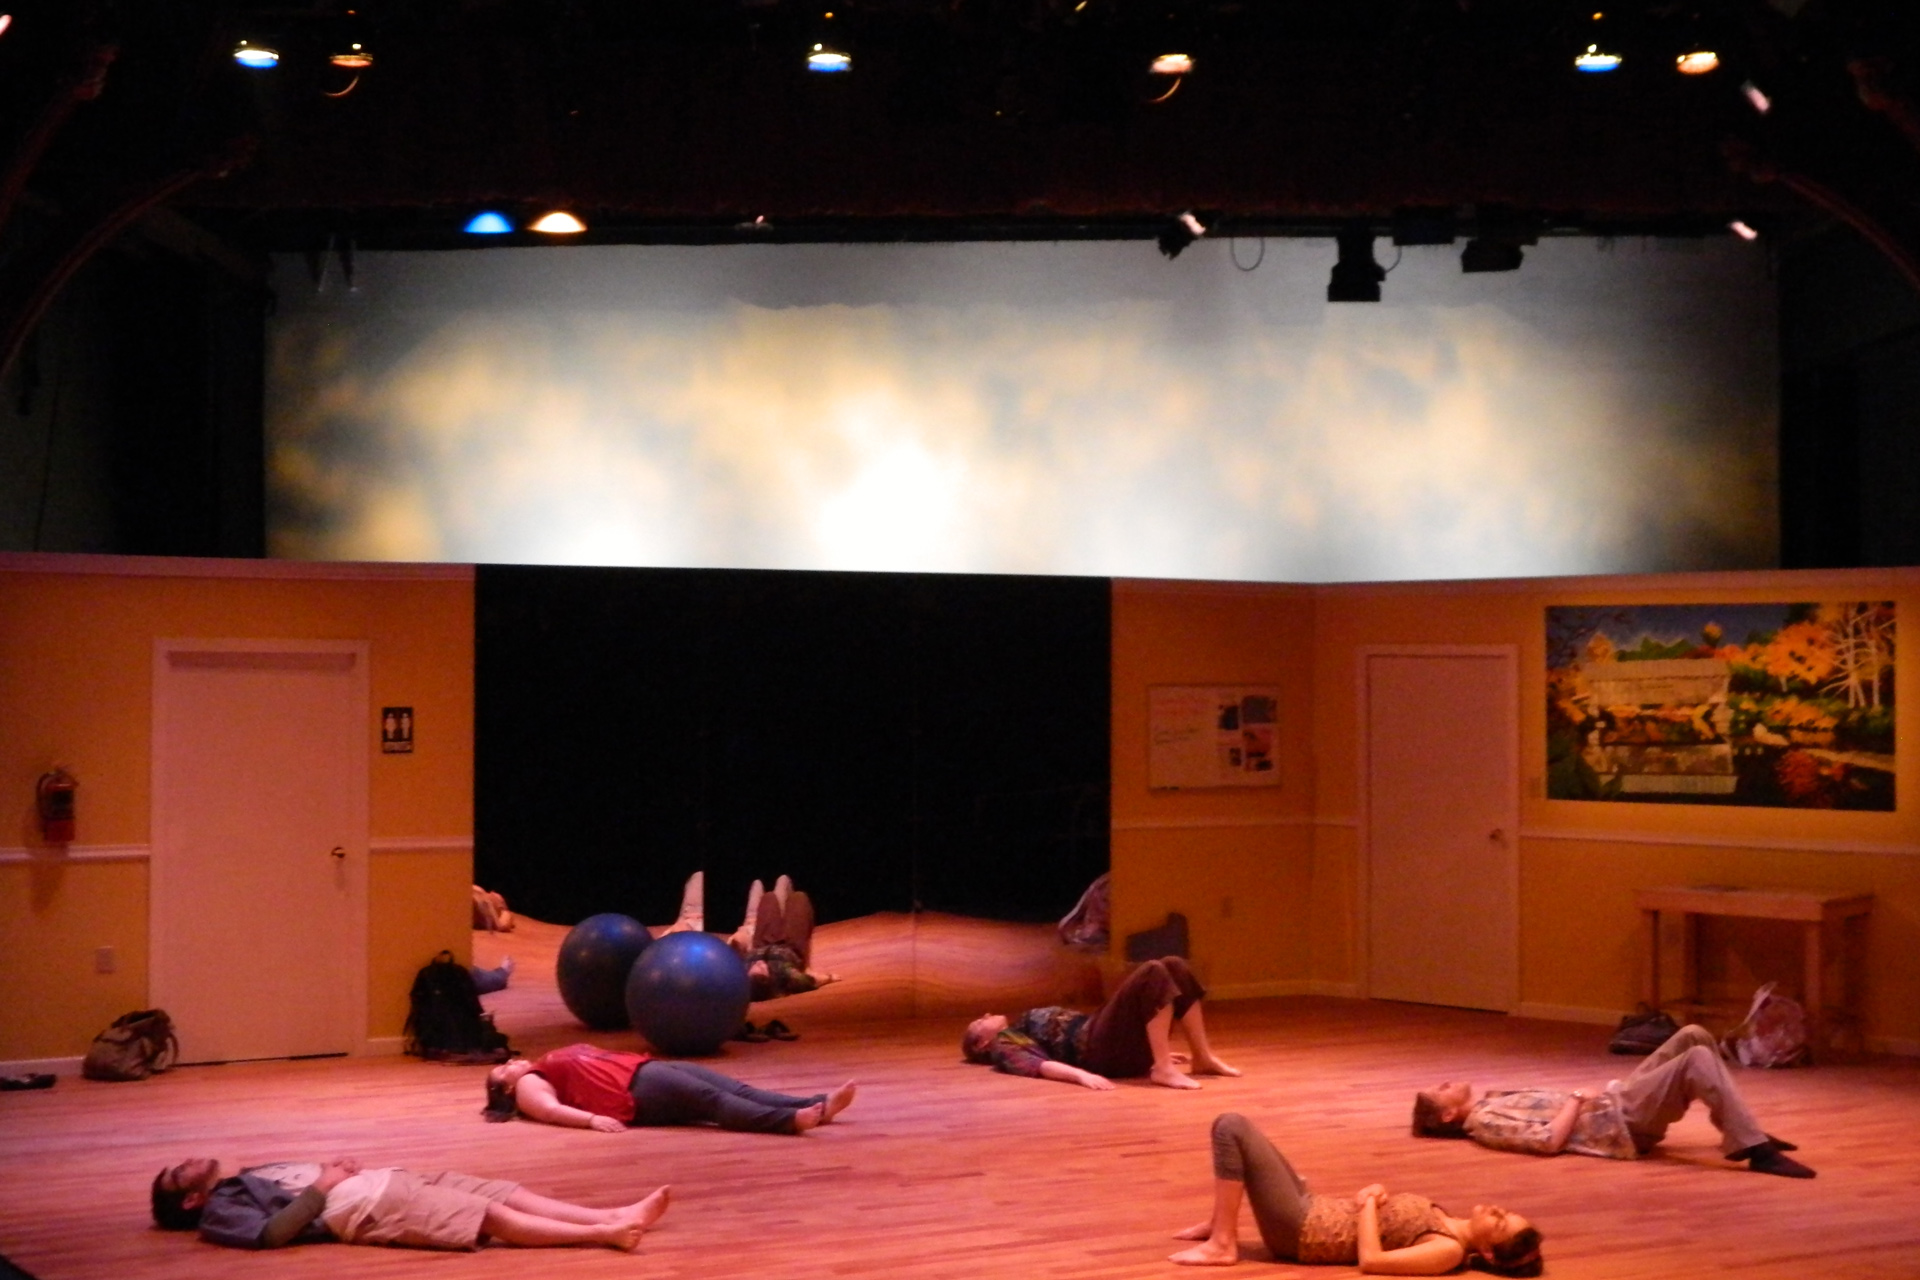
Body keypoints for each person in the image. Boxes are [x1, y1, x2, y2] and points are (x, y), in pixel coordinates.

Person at [1411, 1023, 1814, 1178]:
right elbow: (1547, 1143)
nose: (1447, 1082)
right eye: (1441, 1089)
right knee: (1698, 1059)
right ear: (1449, 1115)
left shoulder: (1488, 1102)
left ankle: (1742, 1129)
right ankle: (1753, 1148)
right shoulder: (1485, 1123)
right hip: (1620, 1123)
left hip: (1614, 1100)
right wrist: (1575, 1099)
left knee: (1693, 1035)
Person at [1169, 1113, 1542, 1275]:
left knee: (1231, 1127)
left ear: (1489, 1252)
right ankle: (1222, 1222)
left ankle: (1222, 1243)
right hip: (1312, 1208)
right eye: (1504, 1211)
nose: (1496, 1210)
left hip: (1301, 1231)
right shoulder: (1447, 1221)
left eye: (1500, 1222)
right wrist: (1379, 1196)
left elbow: (1372, 1261)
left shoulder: (1447, 1251)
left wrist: (1367, 1203)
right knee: (1246, 1138)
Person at [150, 1156, 667, 1252]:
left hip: (382, 1180)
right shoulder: (219, 1214)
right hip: (369, 1208)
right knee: (483, 1217)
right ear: (192, 1199)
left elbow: (302, 1185)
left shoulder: (244, 1177)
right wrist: (326, 1185)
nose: (186, 1161)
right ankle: (603, 1236)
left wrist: (333, 1168)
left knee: (502, 1191)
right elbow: (272, 1233)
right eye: (180, 1173)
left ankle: (613, 1214)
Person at [961, 955, 1238, 1090]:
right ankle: (1162, 1068)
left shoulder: (1018, 1028)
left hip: (1107, 1040)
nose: (986, 1015)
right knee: (1152, 972)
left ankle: (1202, 1057)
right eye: (979, 1022)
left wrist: (1157, 1048)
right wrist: (1082, 1076)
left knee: (1174, 965)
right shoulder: (1004, 1044)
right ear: (983, 1042)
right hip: (1096, 1048)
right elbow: (1040, 1066)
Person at [483, 1042, 856, 1134]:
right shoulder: (529, 1085)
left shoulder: (537, 1067)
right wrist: (592, 1120)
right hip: (635, 1090)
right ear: (507, 1090)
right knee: (715, 1102)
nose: (510, 1064)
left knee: (736, 1088)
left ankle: (818, 1105)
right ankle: (790, 1121)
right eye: (503, 1071)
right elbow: (549, 1111)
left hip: (643, 1069)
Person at [727, 874, 840, 1001]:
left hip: (763, 942)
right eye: (762, 968)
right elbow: (808, 981)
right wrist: (829, 977)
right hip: (791, 946)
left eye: (754, 968)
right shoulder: (783, 974)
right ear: (769, 978)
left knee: (768, 898)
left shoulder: (743, 975)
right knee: (799, 898)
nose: (759, 963)